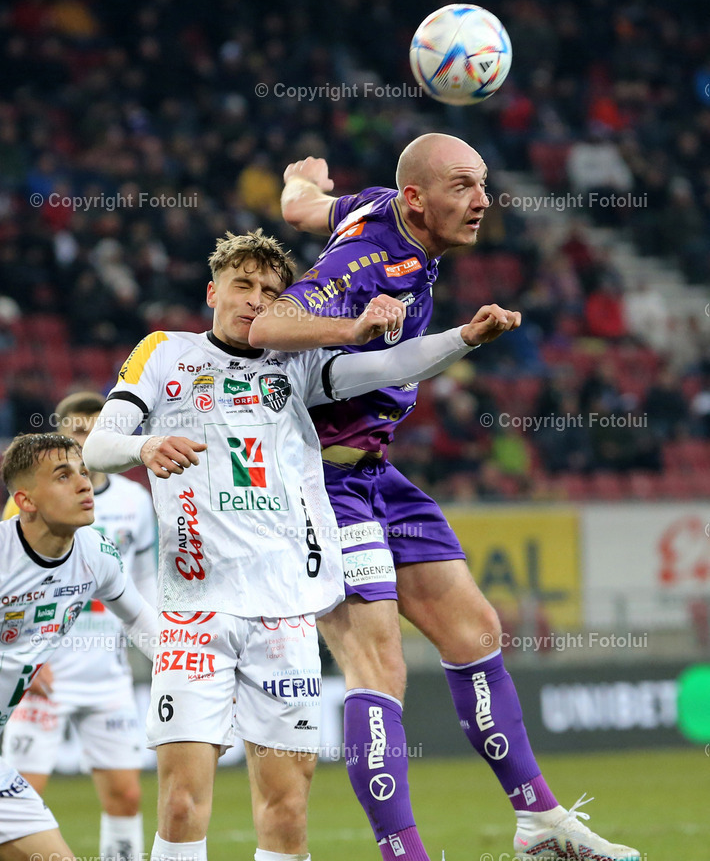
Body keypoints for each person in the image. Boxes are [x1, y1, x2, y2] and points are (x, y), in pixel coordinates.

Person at [248, 135, 640, 861]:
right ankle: (406, 855)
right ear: (416, 199)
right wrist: (352, 328)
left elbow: (307, 207)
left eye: (484, 183)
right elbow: (266, 325)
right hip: (317, 482)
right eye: (463, 186)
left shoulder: (374, 209)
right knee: (379, 668)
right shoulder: (366, 261)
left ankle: (539, 822)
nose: (483, 200)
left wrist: (297, 187)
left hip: (372, 472)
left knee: (474, 631)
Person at [82, 228, 519, 861]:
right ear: (212, 292)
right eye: (242, 286)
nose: (255, 300)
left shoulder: (299, 365)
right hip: (195, 609)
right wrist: (143, 446)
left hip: (286, 611)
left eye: (269, 291)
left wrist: (464, 338)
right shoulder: (163, 353)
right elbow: (98, 444)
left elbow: (390, 364)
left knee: (286, 812)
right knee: (180, 804)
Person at [2, 391, 157, 861]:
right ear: (24, 500)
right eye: (63, 475)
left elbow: (145, 622)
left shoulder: (97, 552)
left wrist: (197, 678)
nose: (84, 484)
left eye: (84, 472)